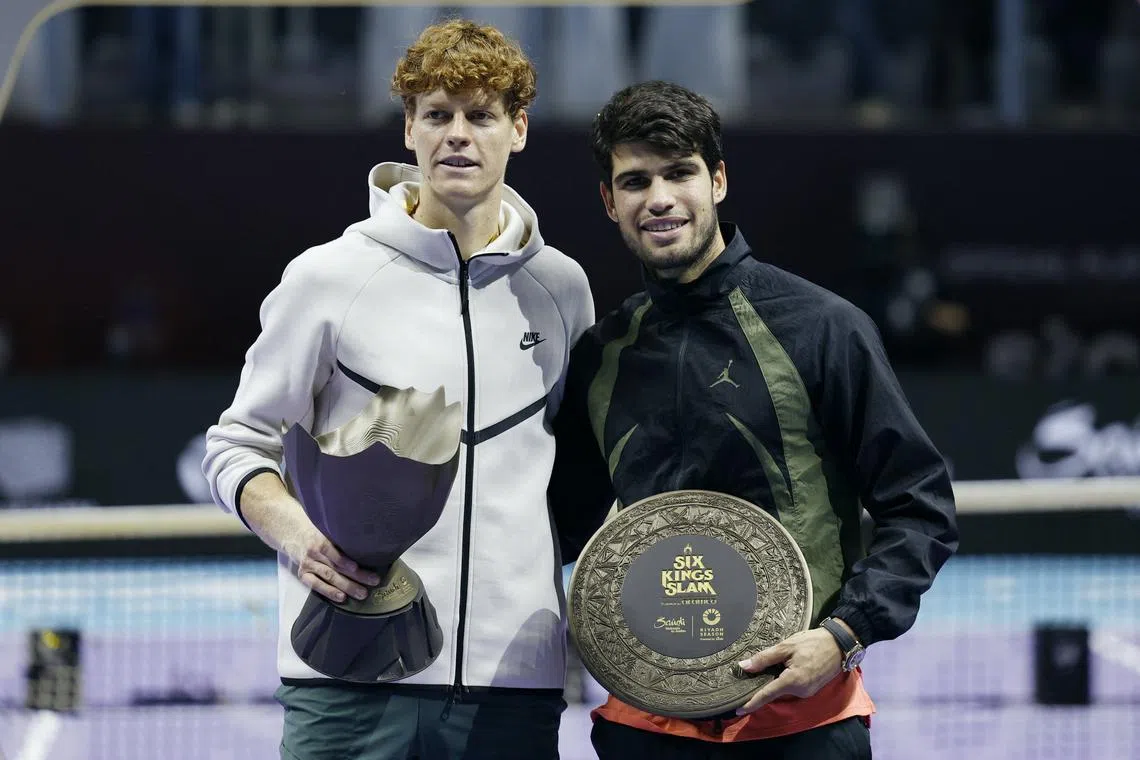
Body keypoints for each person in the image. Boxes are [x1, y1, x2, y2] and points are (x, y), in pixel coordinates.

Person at [202, 19, 594, 760]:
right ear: (409, 129)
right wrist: (299, 537)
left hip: (512, 690)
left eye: (480, 116)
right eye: (437, 114)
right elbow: (235, 443)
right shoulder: (329, 277)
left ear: (518, 130)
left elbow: (571, 475)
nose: (458, 135)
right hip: (348, 682)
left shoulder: (561, 290)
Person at [549, 80, 959, 759]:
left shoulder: (823, 329)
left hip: (801, 725)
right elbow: (557, 528)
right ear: (609, 202)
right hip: (642, 731)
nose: (658, 198)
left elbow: (920, 508)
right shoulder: (602, 356)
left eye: (679, 173)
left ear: (717, 181)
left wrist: (844, 634)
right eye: (635, 181)